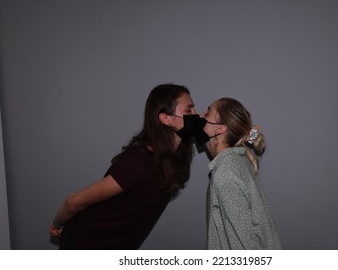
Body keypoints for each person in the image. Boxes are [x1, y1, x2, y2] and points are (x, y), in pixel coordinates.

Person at [49, 83, 198, 249]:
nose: (195, 115)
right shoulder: (138, 162)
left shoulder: (175, 158)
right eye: (189, 110)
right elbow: (73, 202)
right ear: (166, 118)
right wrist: (57, 224)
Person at [199, 97, 281, 250]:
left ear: (220, 128)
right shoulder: (239, 161)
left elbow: (243, 245)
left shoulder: (225, 172)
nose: (200, 116)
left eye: (207, 113)